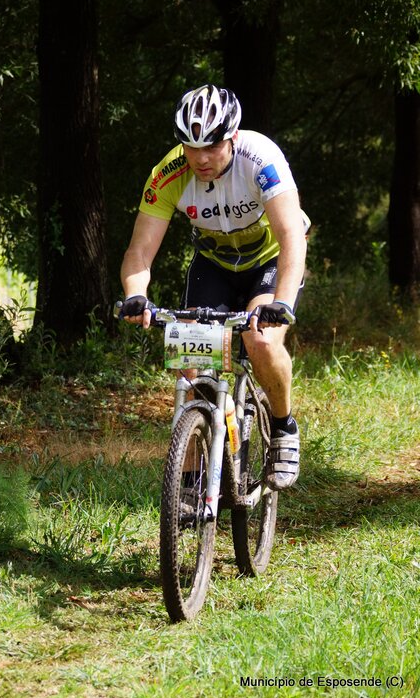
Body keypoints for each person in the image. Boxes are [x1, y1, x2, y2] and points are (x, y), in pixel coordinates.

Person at [119, 84, 308, 490]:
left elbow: (292, 236)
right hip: (215, 264)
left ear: (233, 137)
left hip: (268, 261)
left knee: (261, 342)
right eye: (191, 147)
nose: (200, 158)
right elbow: (140, 251)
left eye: (212, 146)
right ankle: (187, 483)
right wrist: (136, 295)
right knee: (188, 362)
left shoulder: (261, 159)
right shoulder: (168, 173)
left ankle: (283, 426)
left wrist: (282, 302)